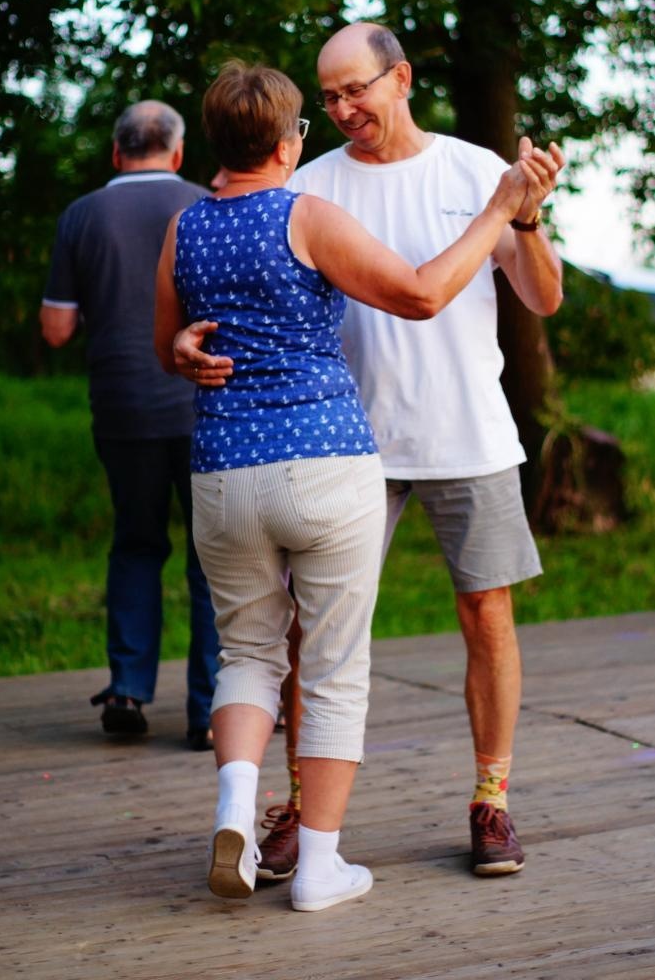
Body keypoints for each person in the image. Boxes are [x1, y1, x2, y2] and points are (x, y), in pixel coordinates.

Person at [155, 60, 557, 912]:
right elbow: (398, 296)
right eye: (325, 97)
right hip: (341, 448)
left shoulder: (475, 168)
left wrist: (521, 215)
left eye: (354, 91)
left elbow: (542, 298)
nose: (340, 109)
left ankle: (491, 799)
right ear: (292, 129)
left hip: (460, 435)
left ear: (399, 79)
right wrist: (187, 346)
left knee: (482, 615)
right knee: (313, 643)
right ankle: (306, 819)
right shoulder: (305, 188)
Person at [40, 99, 219, 749]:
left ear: (116, 152)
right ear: (175, 153)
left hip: (120, 406)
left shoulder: (80, 215)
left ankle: (127, 687)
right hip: (203, 403)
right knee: (212, 556)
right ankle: (208, 709)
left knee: (136, 542)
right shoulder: (206, 203)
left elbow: (56, 329)